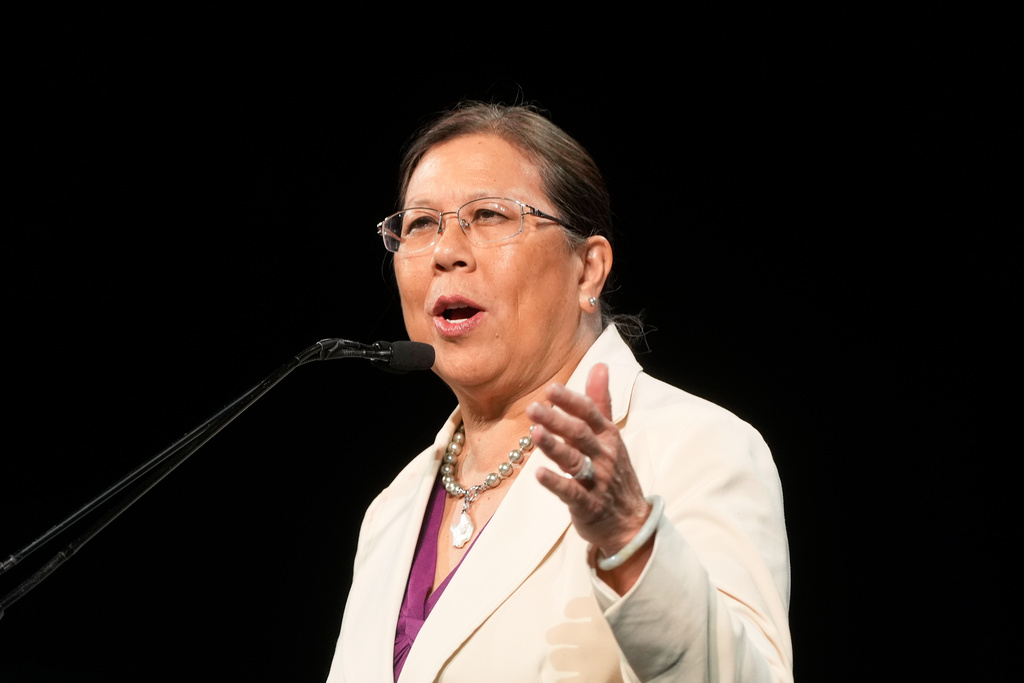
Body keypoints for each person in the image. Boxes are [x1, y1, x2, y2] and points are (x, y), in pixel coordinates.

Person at [326, 102, 792, 682]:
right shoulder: (391, 511)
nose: (446, 251)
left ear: (588, 269)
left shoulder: (695, 448)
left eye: (490, 214)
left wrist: (633, 547)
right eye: (420, 223)